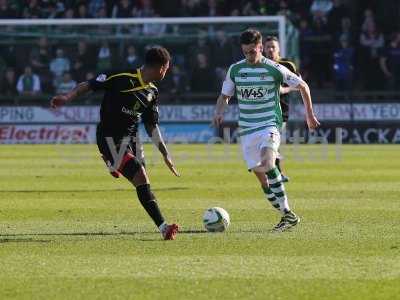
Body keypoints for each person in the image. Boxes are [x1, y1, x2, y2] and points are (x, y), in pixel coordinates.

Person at [50, 46, 180, 240]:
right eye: (167, 68)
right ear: (160, 68)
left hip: (133, 138)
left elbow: (151, 125)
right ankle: (164, 227)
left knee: (143, 180)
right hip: (109, 138)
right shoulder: (121, 76)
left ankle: (112, 163)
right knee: (140, 176)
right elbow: (89, 84)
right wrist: (66, 97)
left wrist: (165, 153)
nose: (167, 72)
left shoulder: (152, 92)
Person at [213, 29, 320, 232]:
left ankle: (289, 214)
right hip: (247, 130)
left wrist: (309, 115)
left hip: (269, 125)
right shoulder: (235, 70)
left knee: (268, 163)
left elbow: (303, 86)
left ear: (260, 48)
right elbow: (225, 95)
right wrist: (219, 111)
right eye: (246, 52)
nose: (249, 56)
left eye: (253, 51)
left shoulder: (274, 68)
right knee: (262, 178)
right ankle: (284, 216)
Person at [264, 35, 300, 182]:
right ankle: (276, 172)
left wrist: (283, 90)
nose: (271, 49)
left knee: (273, 141)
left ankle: (275, 172)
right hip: (263, 110)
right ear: (263, 49)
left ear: (278, 48)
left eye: (273, 46)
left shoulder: (288, 65)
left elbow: (299, 84)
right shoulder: (261, 65)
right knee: (271, 141)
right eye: (268, 47)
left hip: (281, 110)